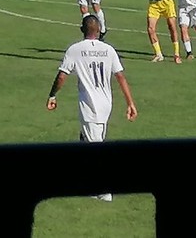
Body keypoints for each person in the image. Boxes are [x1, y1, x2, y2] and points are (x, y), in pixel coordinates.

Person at [45, 15, 137, 202]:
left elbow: (62, 76)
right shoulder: (109, 50)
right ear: (100, 30)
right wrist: (130, 103)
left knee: (96, 148)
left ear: (82, 29)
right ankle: (84, 179)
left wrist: (52, 95)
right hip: (105, 104)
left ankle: (104, 192)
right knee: (86, 139)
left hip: (90, 105)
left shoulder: (75, 49)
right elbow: (120, 77)